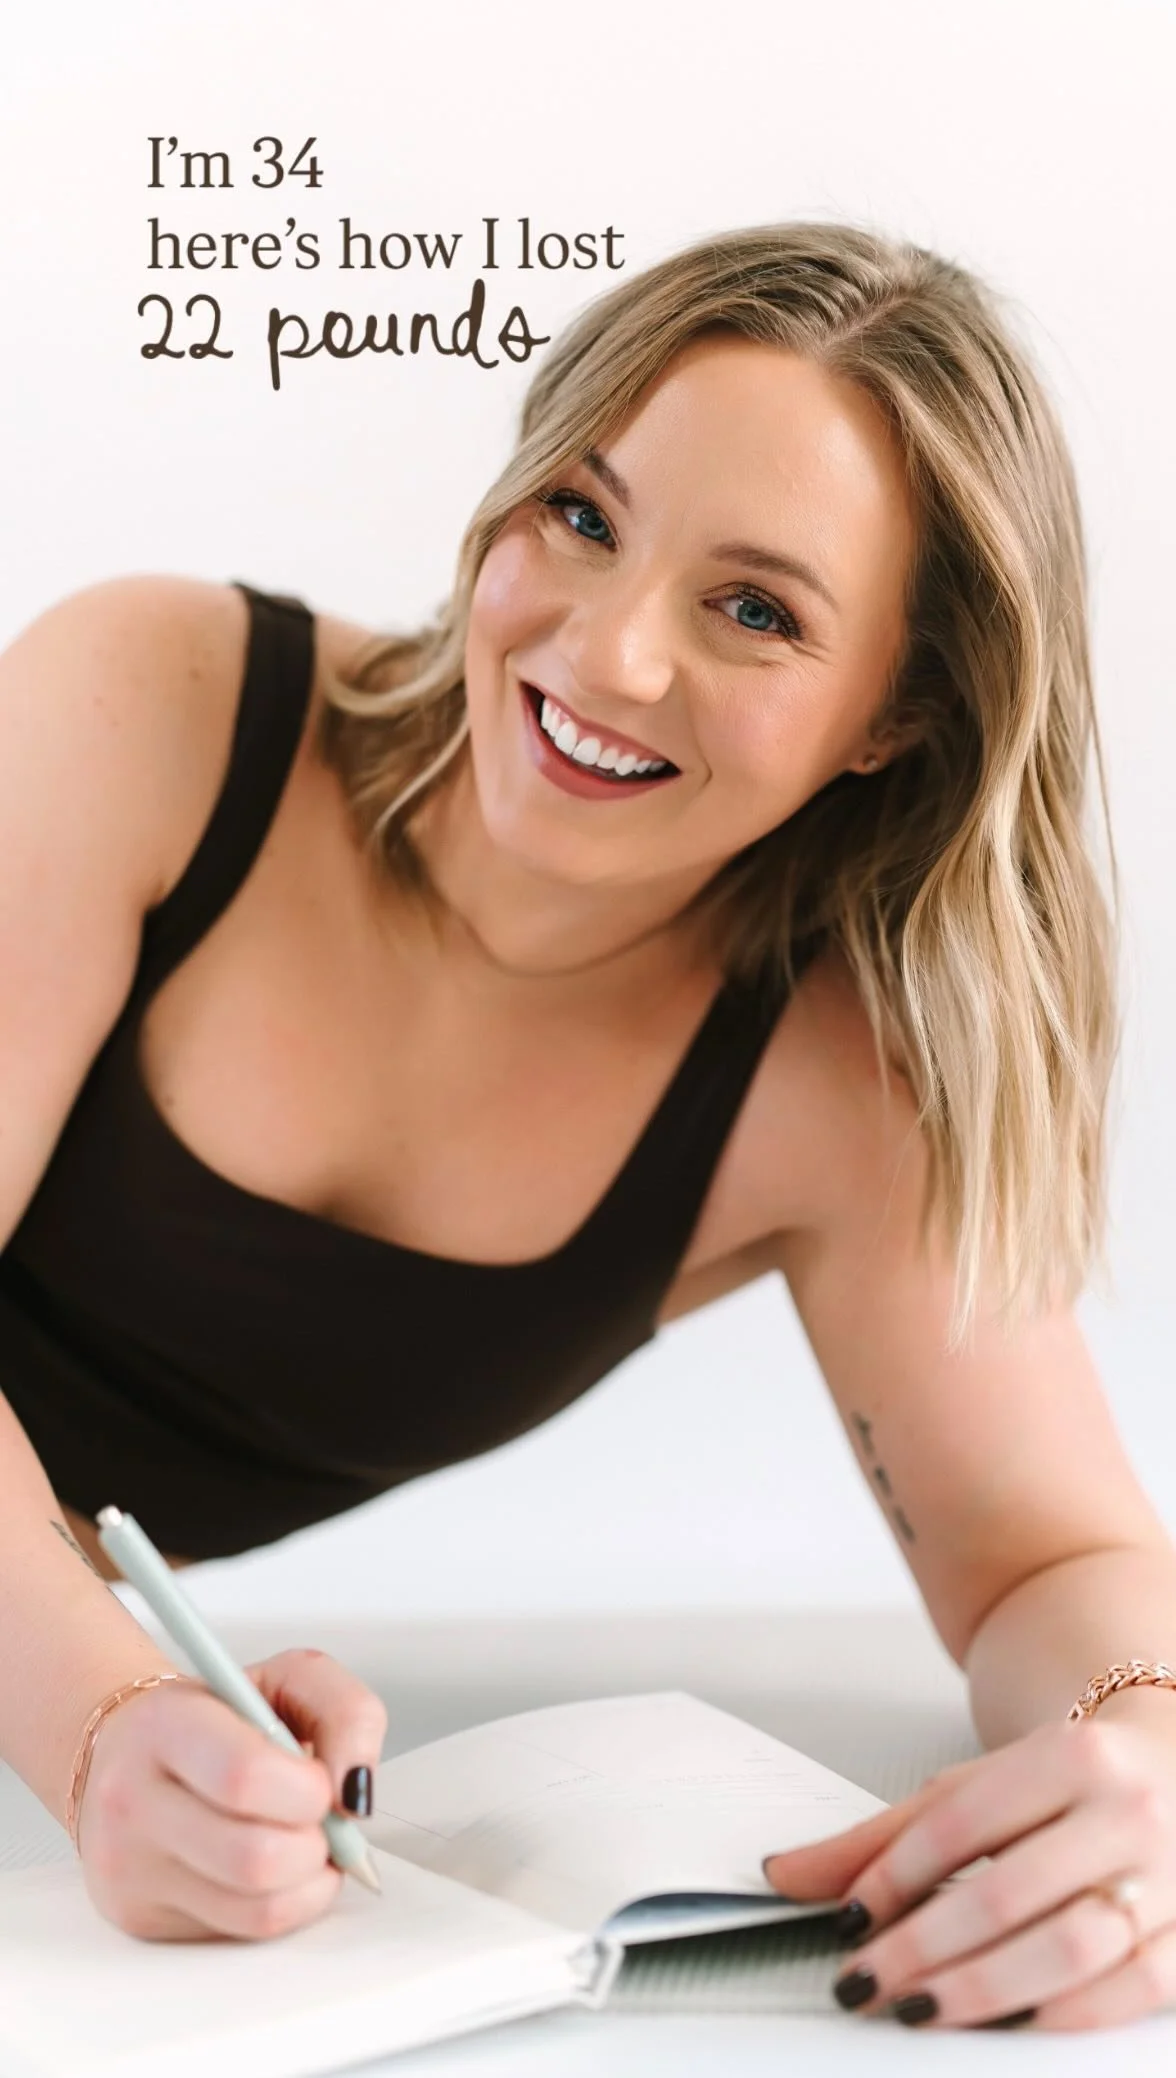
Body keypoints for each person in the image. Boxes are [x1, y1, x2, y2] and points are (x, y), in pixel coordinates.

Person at [1, 218, 1174, 2032]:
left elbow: (1049, 1562)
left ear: (898, 714)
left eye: (757, 610)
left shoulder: (835, 1083)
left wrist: (1148, 1752)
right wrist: (94, 1715)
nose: (610, 651)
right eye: (581, 513)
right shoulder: (155, 704)